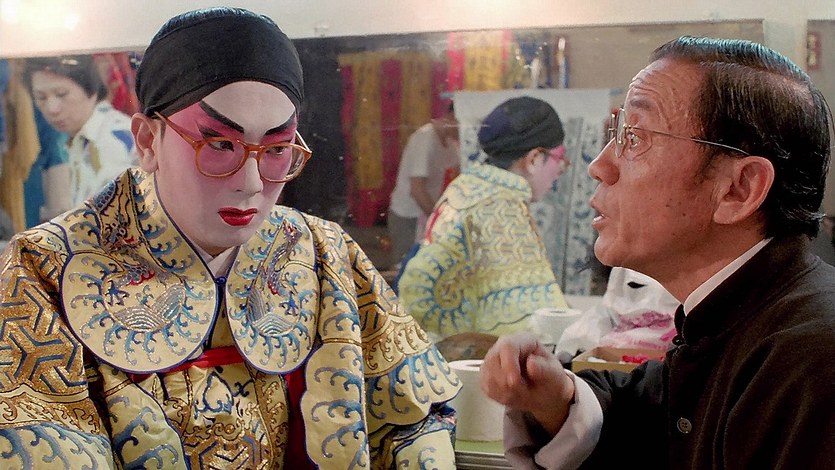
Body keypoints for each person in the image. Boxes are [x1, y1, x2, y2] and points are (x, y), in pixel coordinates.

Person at [0, 7, 460, 469]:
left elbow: (414, 419)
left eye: (277, 149)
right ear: (147, 140)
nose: (252, 183)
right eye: (220, 145)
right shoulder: (45, 268)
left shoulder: (324, 253)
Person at [480, 36, 835, 469]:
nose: (599, 165)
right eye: (618, 133)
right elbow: (652, 416)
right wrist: (554, 396)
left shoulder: (815, 360)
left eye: (635, 137)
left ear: (737, 189)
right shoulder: (729, 321)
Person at [398, 96, 571, 345]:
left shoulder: (467, 186)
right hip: (454, 354)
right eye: (559, 158)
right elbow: (526, 322)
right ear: (534, 159)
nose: (559, 171)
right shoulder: (501, 206)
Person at [25, 54, 136, 208]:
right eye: (41, 97)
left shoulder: (112, 140)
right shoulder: (82, 138)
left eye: (62, 94)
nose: (52, 109)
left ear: (91, 88)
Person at [387, 101, 459, 270]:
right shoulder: (426, 138)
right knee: (405, 269)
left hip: (424, 215)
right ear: (451, 118)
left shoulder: (449, 144)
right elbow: (417, 190)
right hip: (408, 217)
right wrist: (438, 219)